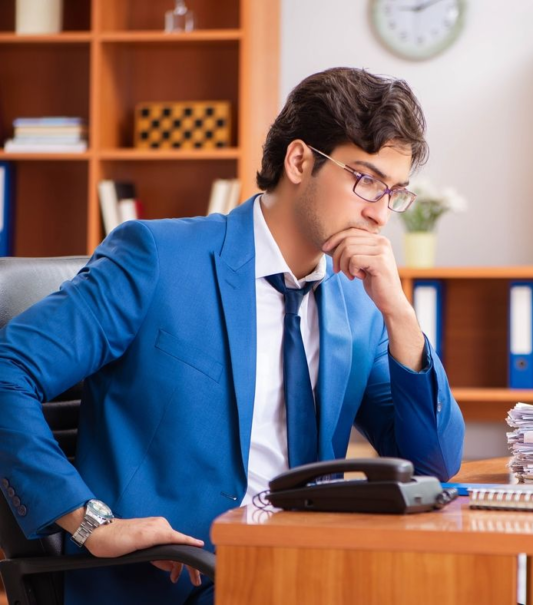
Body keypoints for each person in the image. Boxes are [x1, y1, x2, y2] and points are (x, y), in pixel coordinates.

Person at [0, 67, 464, 604]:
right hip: (167, 580)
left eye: (395, 192)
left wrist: (400, 315)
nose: (380, 213)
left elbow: (433, 464)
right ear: (299, 161)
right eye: (366, 180)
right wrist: (89, 523)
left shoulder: (359, 304)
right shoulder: (158, 259)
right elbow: (8, 372)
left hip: (302, 577)